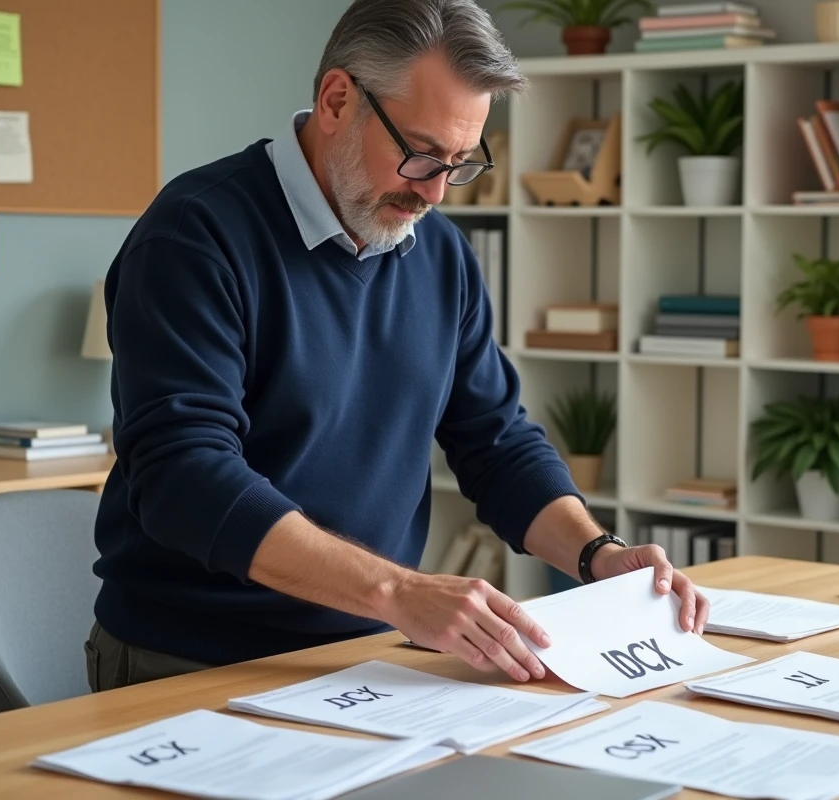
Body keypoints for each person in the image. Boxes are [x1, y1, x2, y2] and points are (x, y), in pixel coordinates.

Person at [85, 0, 710, 693]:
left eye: (460, 163)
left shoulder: (439, 254)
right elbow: (185, 477)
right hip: (192, 659)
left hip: (370, 657)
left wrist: (596, 555)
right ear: (335, 100)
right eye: (420, 153)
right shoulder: (195, 236)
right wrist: (399, 593)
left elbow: (495, 442)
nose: (436, 191)